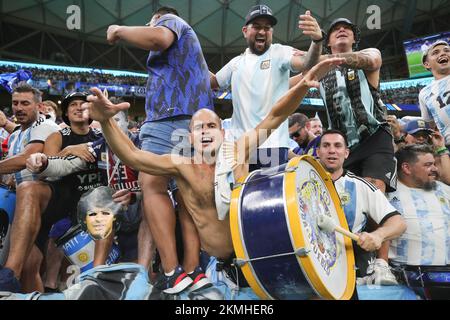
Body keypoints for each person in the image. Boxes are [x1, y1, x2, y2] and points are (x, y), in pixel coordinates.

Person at [82, 57, 345, 298]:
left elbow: (275, 115)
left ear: (222, 131)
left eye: (211, 126)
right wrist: (107, 122)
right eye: (199, 128)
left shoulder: (239, 150)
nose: (206, 131)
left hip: (260, 258)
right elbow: (133, 156)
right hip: (219, 273)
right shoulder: (182, 166)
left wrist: (305, 82)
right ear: (191, 137)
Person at [107, 6, 213, 294]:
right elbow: (211, 80)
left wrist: (119, 30)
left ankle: (171, 271)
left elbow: (159, 39)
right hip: (193, 121)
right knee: (186, 190)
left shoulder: (171, 21)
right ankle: (194, 268)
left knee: (152, 185)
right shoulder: (191, 54)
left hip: (168, 118)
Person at [0, 91, 102, 293]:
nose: (79, 107)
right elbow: (46, 171)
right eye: (73, 104)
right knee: (31, 265)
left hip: (95, 204)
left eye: (83, 103)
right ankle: (10, 275)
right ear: (65, 112)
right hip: (61, 201)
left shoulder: (102, 136)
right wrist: (68, 151)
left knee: (49, 267)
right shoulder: (57, 136)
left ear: (92, 111)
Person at [210, 5, 324, 170]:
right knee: (240, 194)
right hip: (241, 147)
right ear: (244, 31)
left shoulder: (280, 52)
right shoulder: (235, 63)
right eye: (256, 27)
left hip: (273, 147)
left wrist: (317, 41)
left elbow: (307, 63)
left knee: (269, 196)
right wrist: (192, 56)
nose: (262, 32)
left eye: (267, 27)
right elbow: (213, 83)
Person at [316, 130, 406, 285]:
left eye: (337, 146)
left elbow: (399, 223)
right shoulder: (302, 180)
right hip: (311, 268)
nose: (332, 150)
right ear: (318, 152)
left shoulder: (360, 186)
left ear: (346, 153)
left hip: (351, 275)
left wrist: (378, 235)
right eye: (326, 146)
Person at [319, 18, 395, 193]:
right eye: (335, 29)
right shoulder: (319, 70)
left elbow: (374, 62)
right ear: (328, 42)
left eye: (347, 28)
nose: (342, 29)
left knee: (372, 193)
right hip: (342, 146)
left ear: (354, 39)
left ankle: (386, 220)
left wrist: (320, 60)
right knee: (346, 198)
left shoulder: (369, 53)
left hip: (374, 136)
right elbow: (287, 85)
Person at [387, 144, 450, 299]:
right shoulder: (388, 195)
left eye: (434, 164)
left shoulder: (445, 190)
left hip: (446, 279)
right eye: (428, 165)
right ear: (407, 168)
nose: (434, 169)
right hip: (406, 284)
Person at [0, 83, 60, 186]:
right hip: (17, 195)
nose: (19, 108)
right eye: (15, 103)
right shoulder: (14, 136)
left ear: (40, 107)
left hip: (45, 198)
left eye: (25, 103)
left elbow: (25, 158)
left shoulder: (46, 124)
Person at [419, 40, 450, 148]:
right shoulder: (424, 93)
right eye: (436, 52)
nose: (443, 53)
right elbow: (429, 124)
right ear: (427, 64)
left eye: (447, 50)